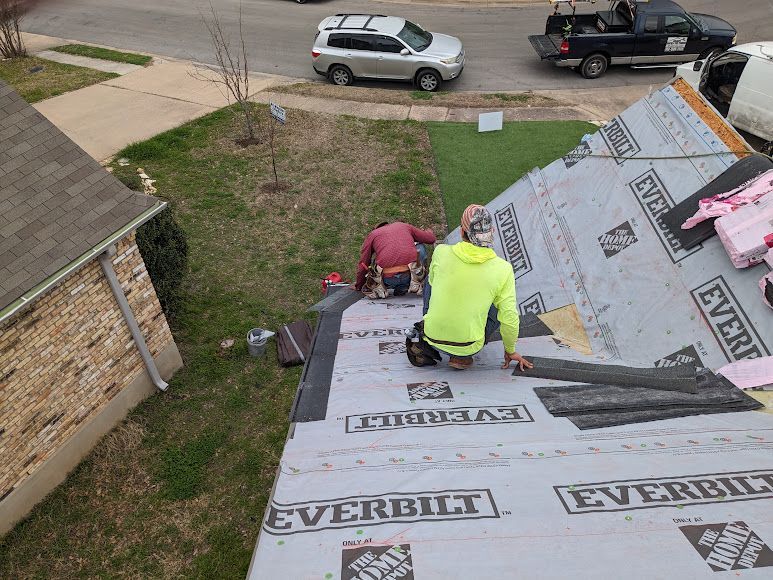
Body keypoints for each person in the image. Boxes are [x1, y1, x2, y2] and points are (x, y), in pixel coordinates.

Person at [420, 204, 533, 371]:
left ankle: (430, 325)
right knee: (500, 304)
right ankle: (462, 357)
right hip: (469, 345)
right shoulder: (502, 269)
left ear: (461, 232)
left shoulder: (441, 252)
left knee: (431, 279)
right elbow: (509, 318)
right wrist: (510, 350)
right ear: (491, 233)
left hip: (431, 337)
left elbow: (433, 289)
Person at [355, 221, 436, 298]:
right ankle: (417, 281)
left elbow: (363, 263)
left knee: (375, 261)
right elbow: (431, 239)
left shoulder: (373, 234)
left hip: (388, 280)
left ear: (376, 228)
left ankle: (399, 286)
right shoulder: (403, 226)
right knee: (419, 247)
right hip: (409, 275)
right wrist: (429, 231)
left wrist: (359, 285)